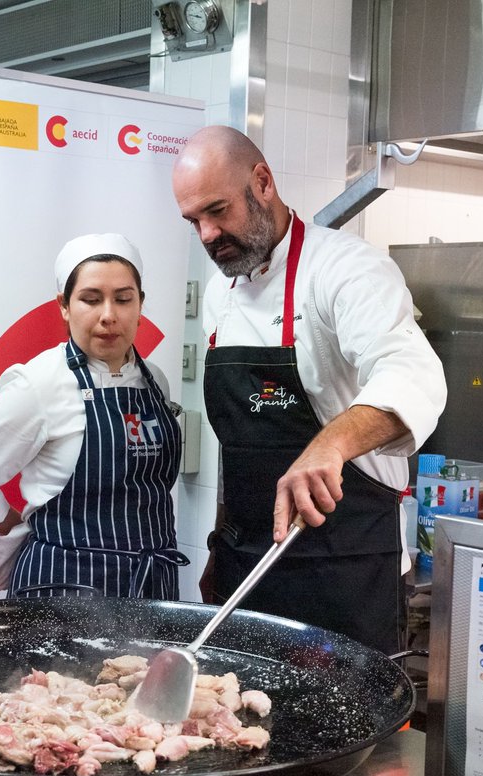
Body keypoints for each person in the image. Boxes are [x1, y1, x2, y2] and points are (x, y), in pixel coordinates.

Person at [171, 126, 447, 654]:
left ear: (263, 181)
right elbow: (242, 449)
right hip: (246, 570)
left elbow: (413, 373)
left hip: (344, 572)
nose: (207, 235)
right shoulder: (220, 293)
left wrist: (332, 443)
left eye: (217, 210)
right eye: (194, 222)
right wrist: (216, 549)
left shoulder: (346, 269)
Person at [0, 233, 187, 599]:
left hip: (151, 584)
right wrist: (14, 528)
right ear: (64, 306)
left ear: (140, 304)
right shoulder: (39, 384)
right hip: (63, 587)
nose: (108, 316)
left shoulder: (154, 380)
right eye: (90, 299)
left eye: (123, 299)